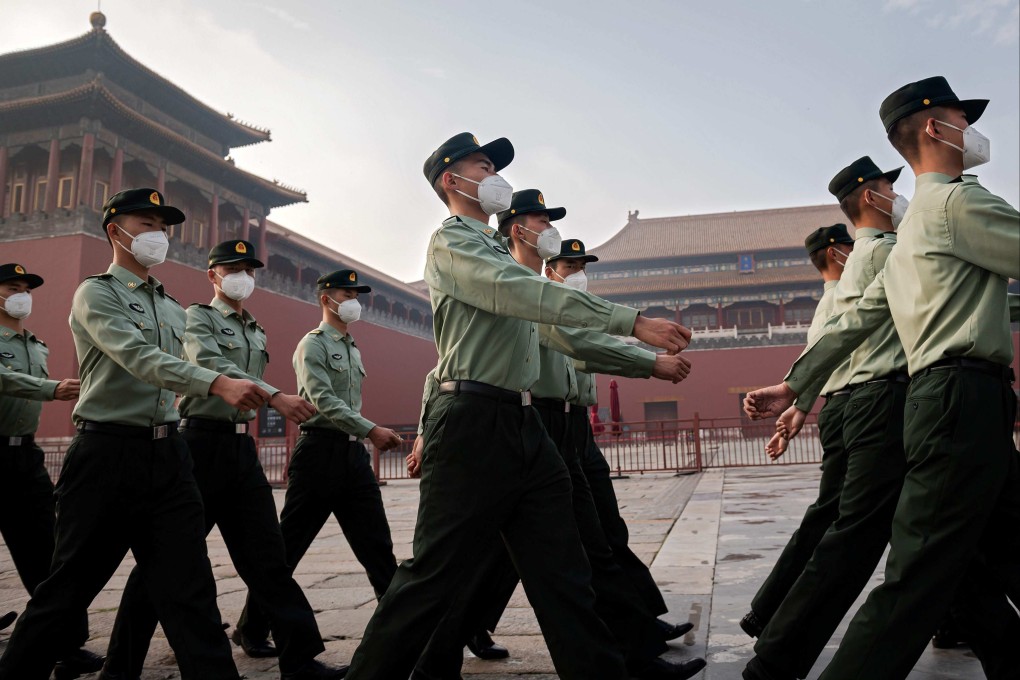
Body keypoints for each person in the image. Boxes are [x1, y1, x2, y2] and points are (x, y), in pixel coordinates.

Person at [344, 132, 692, 680]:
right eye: (483, 165)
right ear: (450, 181)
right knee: (434, 574)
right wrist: (630, 321)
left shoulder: (494, 252)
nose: (495, 175)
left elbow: (559, 334)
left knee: (564, 569)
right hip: (472, 423)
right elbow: (519, 293)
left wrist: (640, 356)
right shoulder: (452, 244)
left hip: (524, 422)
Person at [743, 76, 1020, 680]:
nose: (971, 133)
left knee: (987, 550)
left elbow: (861, 318)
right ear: (933, 128)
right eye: (961, 120)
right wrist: (799, 388)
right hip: (961, 396)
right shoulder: (957, 202)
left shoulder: (917, 223)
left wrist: (796, 385)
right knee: (916, 573)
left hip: (946, 397)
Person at [411, 194, 702, 680]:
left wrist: (642, 355)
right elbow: (447, 367)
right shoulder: (498, 277)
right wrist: (644, 348)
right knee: (460, 562)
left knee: (570, 555)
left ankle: (628, 653)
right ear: (516, 229)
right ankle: (435, 657)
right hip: (505, 421)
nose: (549, 227)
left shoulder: (531, 286)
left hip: (543, 426)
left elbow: (576, 342)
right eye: (541, 219)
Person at [0, 188, 267, 680]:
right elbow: (138, 358)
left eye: (161, 227)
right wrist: (217, 383)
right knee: (67, 591)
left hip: (169, 458)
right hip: (107, 456)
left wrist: (238, 383)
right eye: (145, 225)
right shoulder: (96, 293)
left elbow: (186, 362)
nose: (157, 236)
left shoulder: (171, 307)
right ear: (115, 231)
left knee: (192, 594)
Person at [100, 240, 347, 680]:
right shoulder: (197, 318)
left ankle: (300, 657)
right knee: (167, 560)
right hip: (198, 447)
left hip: (239, 448)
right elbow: (210, 364)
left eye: (248, 269)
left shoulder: (255, 329)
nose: (243, 276)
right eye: (232, 268)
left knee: (268, 555)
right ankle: (121, 666)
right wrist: (274, 395)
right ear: (213, 276)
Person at [743, 157, 913, 680]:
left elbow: (830, 343)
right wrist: (798, 398)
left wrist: (798, 403)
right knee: (856, 532)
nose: (894, 193)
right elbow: (852, 336)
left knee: (853, 525)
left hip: (851, 404)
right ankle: (776, 646)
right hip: (875, 400)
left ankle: (770, 622)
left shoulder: (830, 295)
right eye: (887, 185)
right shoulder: (881, 254)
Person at [235, 268, 403, 657]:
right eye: (347, 294)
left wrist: (361, 436)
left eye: (356, 294)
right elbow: (323, 400)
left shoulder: (352, 346)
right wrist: (370, 430)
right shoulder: (311, 345)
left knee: (378, 548)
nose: (355, 301)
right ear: (327, 299)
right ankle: (252, 627)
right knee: (288, 549)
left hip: (351, 458)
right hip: (318, 456)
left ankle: (401, 631)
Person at [548, 239, 686, 638]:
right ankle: (636, 633)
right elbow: (579, 349)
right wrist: (648, 360)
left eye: (581, 266)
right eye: (569, 266)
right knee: (519, 548)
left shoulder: (583, 312)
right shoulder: (538, 309)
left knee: (608, 529)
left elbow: (593, 351)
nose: (578, 274)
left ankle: (643, 621)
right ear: (548, 270)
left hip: (577, 427)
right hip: (546, 423)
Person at [738, 223, 856, 639]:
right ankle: (774, 618)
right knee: (837, 523)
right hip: (860, 407)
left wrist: (800, 406)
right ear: (833, 252)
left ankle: (768, 610)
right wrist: (798, 401)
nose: (856, 249)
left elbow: (823, 356)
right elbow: (835, 351)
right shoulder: (847, 295)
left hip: (843, 408)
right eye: (850, 245)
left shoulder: (826, 304)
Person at [0, 263, 104, 679]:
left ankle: (65, 644)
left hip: (25, 458)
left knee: (49, 553)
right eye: (12, 286)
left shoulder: (36, 344)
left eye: (26, 288)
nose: (21, 294)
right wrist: (50, 389)